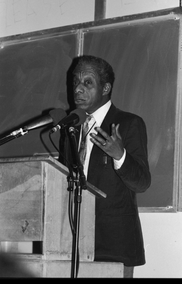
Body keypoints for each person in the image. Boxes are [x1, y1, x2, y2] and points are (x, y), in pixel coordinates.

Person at [60, 55, 151, 278]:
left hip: (114, 244)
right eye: (75, 82)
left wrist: (120, 155)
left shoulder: (128, 124)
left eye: (87, 82)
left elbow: (142, 182)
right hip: (72, 242)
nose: (78, 89)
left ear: (106, 87)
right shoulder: (70, 127)